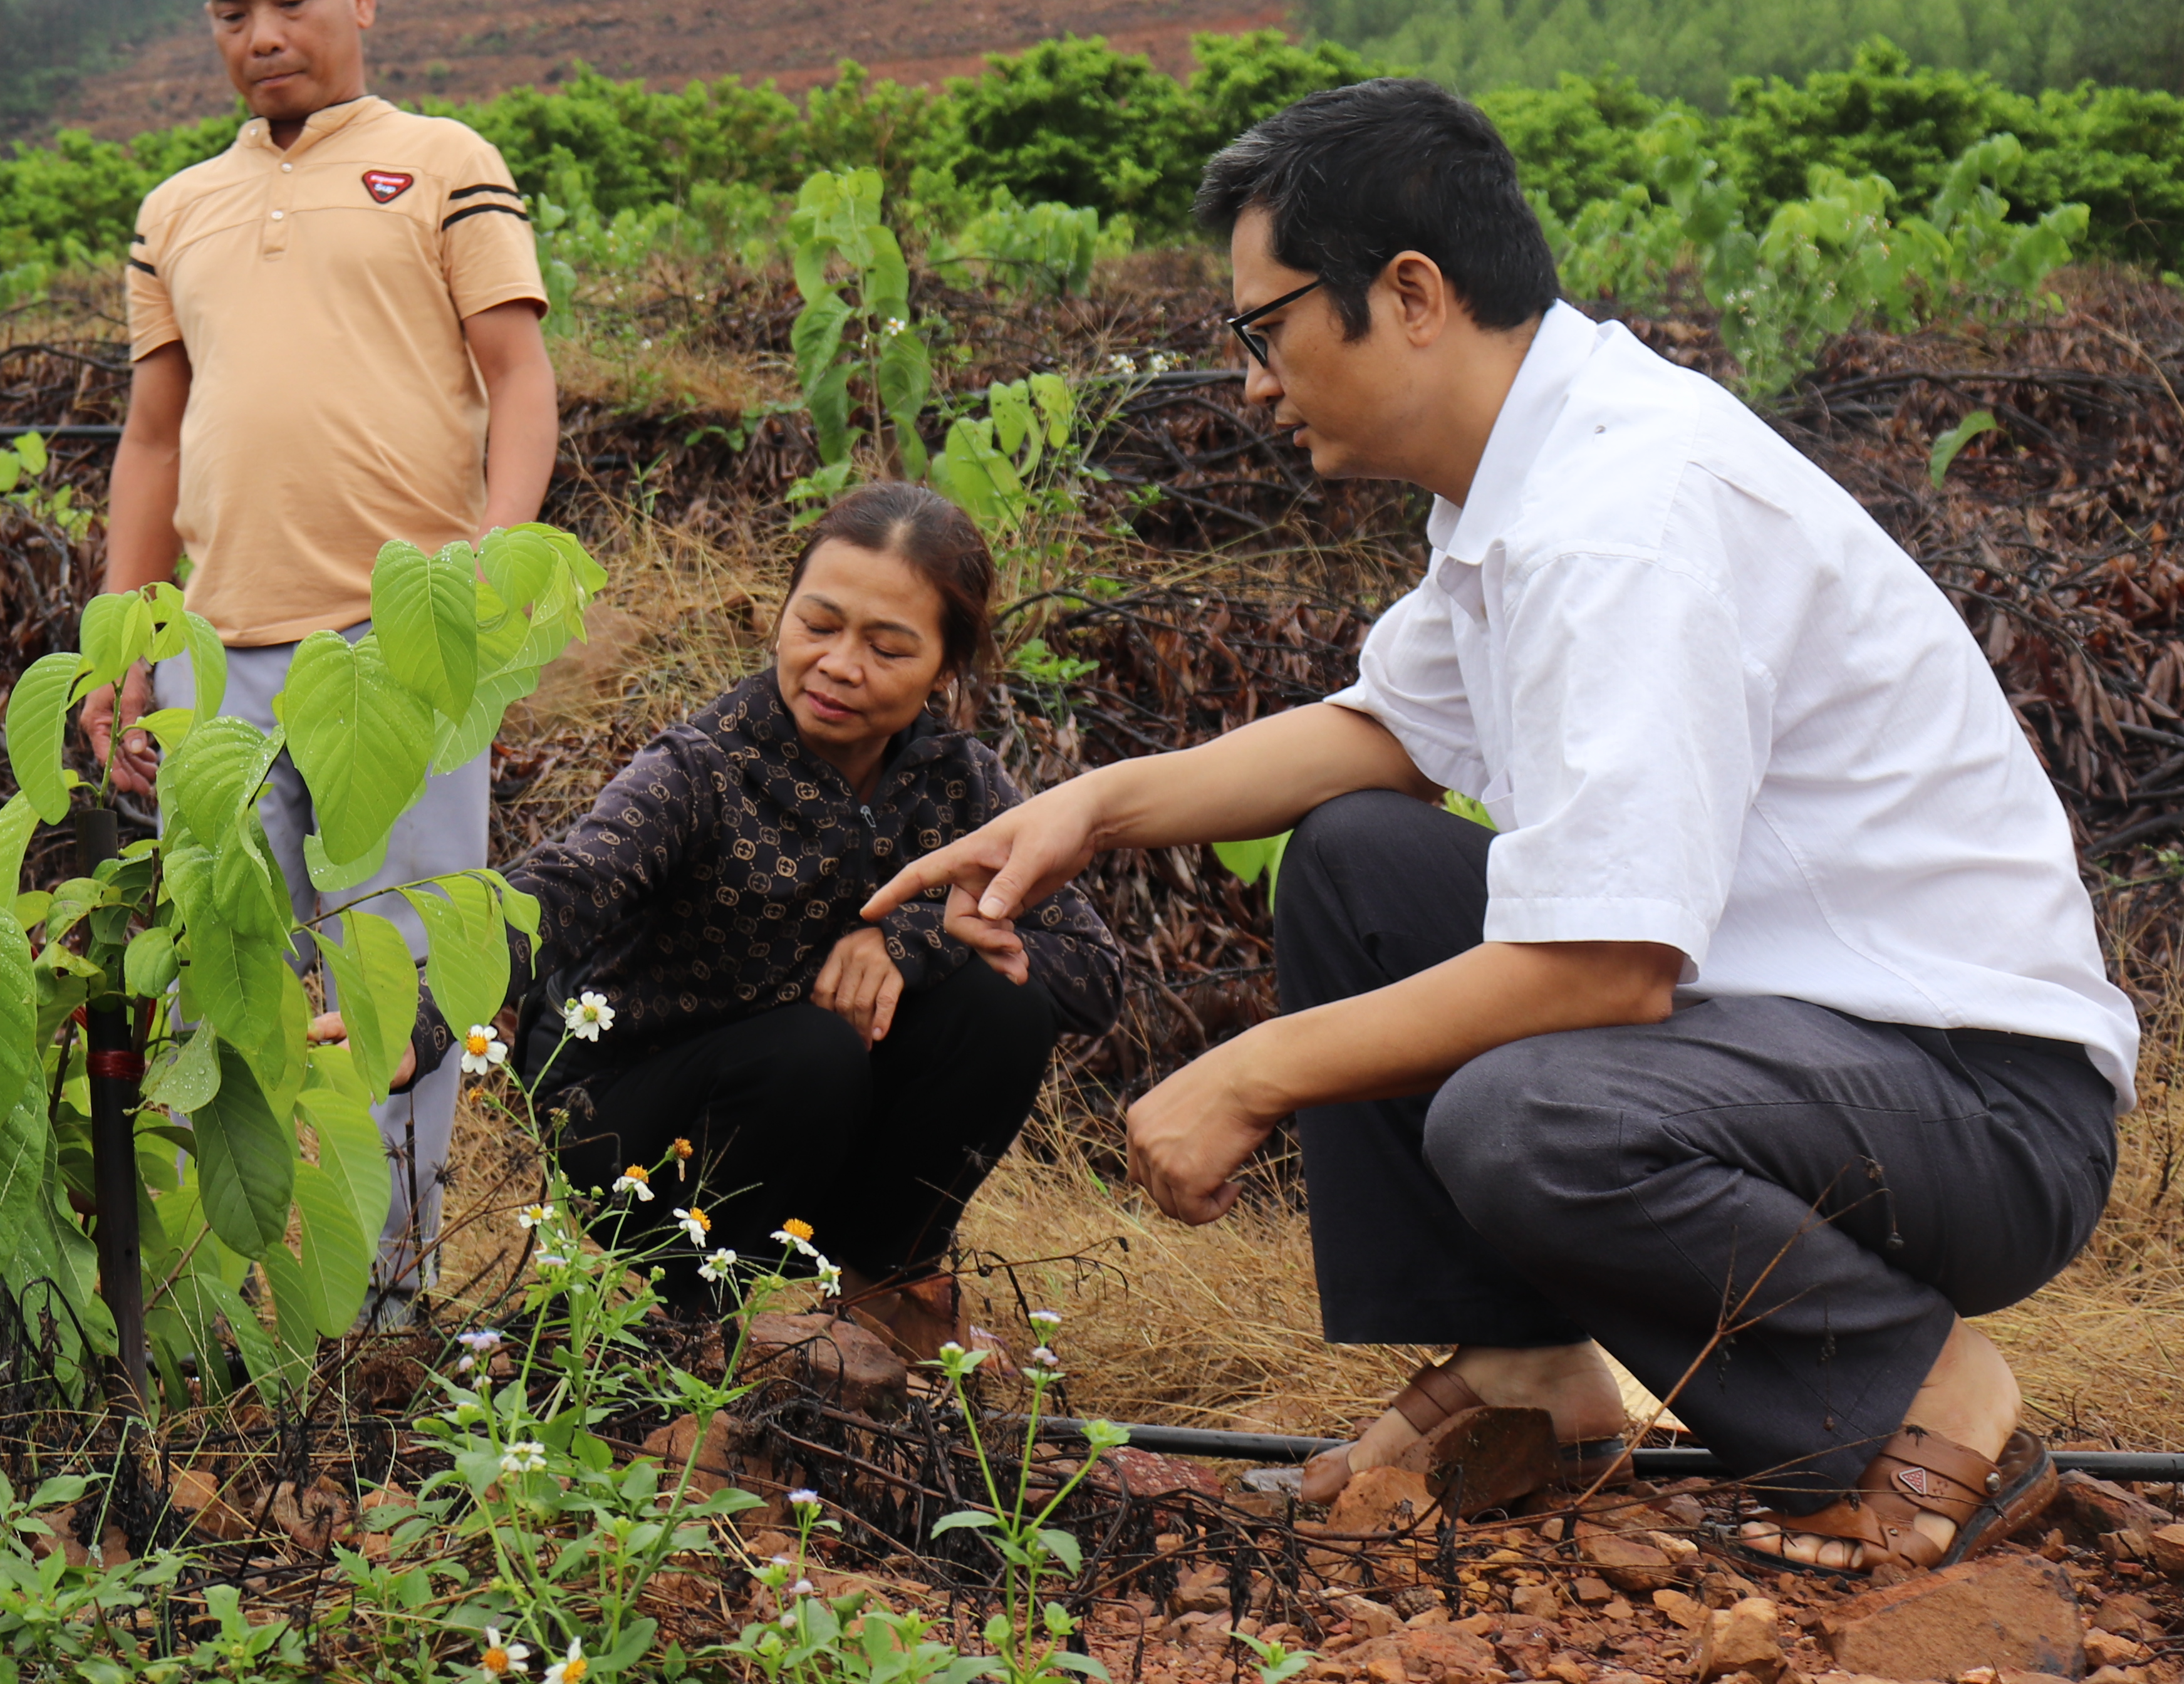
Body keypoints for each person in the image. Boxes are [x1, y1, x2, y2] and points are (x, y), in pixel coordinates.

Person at [868, 78, 2135, 1572]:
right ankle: (1530, 1370)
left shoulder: (1621, 518)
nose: (1256, 384)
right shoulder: (1532, 476)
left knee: (1527, 1113)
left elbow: (1606, 971)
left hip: (1977, 1105)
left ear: (1409, 294)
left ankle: (1923, 1393)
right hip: (1806, 1055)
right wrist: (1087, 809)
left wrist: (1252, 1071)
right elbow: (1379, 733)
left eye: (1263, 330)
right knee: (1359, 856)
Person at [85, 0, 560, 1312]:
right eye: (232, 10)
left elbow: (519, 376)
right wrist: (124, 637)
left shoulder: (439, 162)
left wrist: (487, 564)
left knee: (398, 981)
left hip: (392, 647)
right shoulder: (178, 209)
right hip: (213, 654)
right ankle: (221, 1296)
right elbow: (153, 434)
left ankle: (386, 1308)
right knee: (221, 966)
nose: (263, 31)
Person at [513, 482, 1121, 1354]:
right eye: (818, 625)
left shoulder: (960, 784)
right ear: (783, 615)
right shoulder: (703, 768)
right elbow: (564, 889)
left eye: (887, 647)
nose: (839, 664)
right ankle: (681, 1314)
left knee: (1002, 997)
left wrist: (918, 939)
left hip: (816, 1140)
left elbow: (1094, 974)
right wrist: (416, 1015)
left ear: (943, 671)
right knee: (811, 1051)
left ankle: (884, 1282)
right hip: (636, 1129)